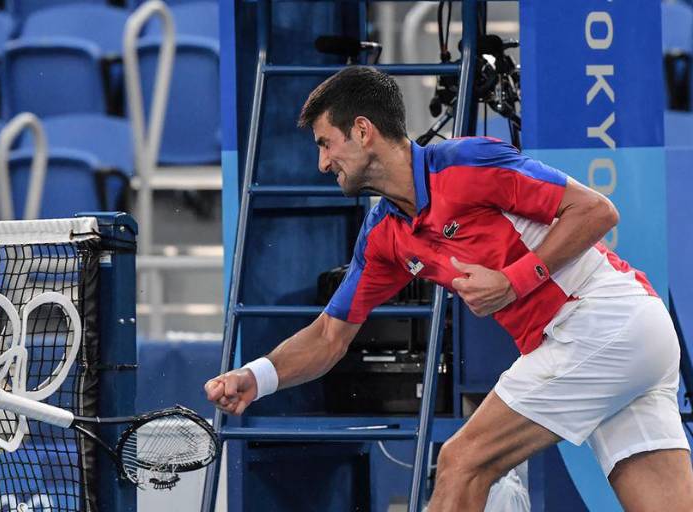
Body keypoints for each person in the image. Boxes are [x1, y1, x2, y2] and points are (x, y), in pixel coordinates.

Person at [205, 66, 693, 511]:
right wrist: (258, 376)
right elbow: (330, 336)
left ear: (362, 130)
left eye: (325, 142)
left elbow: (597, 212)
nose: (322, 162)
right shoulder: (384, 236)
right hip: (633, 340)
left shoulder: (467, 163)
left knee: (463, 461)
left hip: (600, 320)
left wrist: (513, 281)